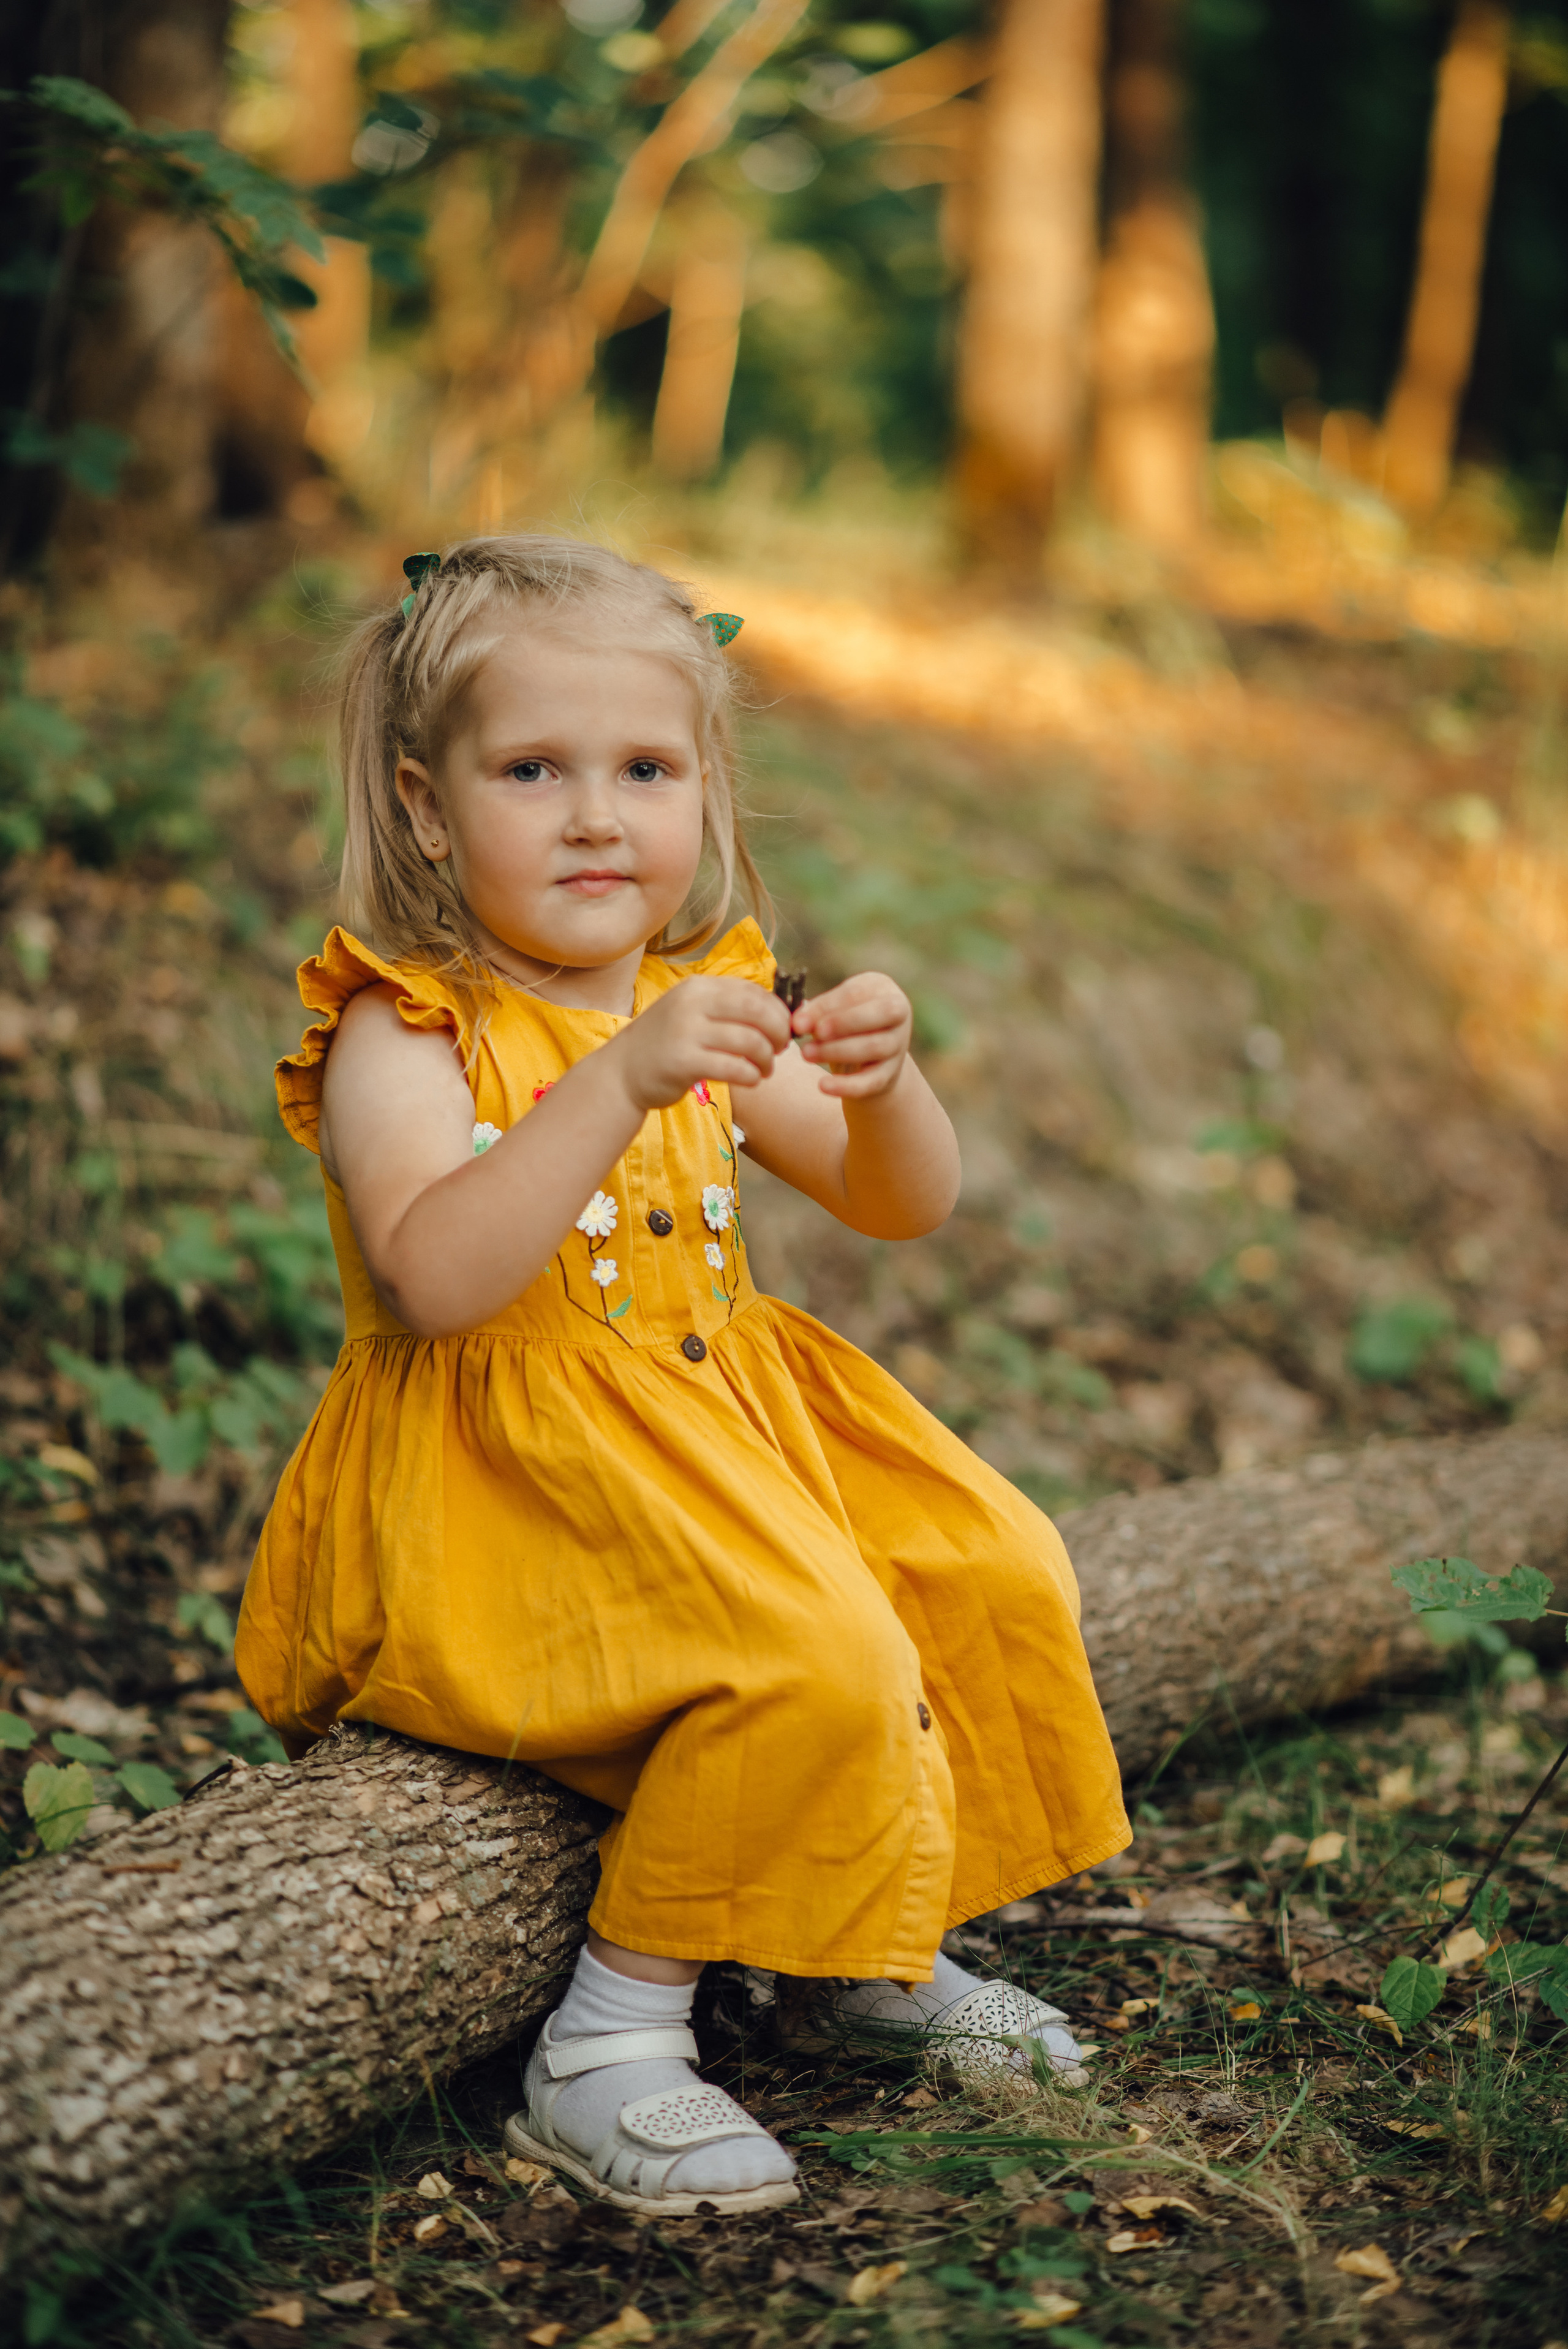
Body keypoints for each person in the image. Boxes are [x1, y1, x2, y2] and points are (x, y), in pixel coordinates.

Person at [236, 534, 1130, 2219]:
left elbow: (900, 1202)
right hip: (514, 1469)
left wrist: (883, 1083)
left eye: (644, 769)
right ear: (429, 808)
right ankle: (611, 2038)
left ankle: (859, 1942)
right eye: (533, 771)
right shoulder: (407, 1023)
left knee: (988, 1566)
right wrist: (619, 1080)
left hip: (724, 1426)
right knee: (812, 1647)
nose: (596, 816)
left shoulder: (697, 994)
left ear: (704, 791)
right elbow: (436, 1277)